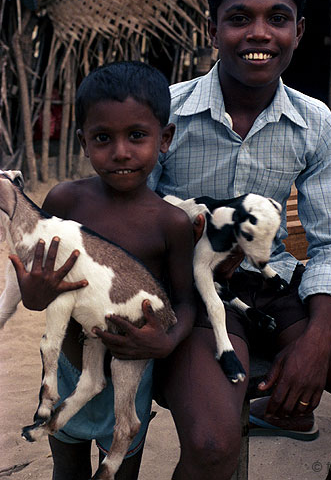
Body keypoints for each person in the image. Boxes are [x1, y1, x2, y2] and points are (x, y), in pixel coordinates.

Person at [14, 0, 331, 480]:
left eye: (277, 18)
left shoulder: (315, 123)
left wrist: (318, 337)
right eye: (240, 18)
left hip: (280, 284)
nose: (259, 33)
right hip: (192, 296)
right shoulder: (164, 117)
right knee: (214, 442)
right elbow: (130, 232)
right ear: (214, 29)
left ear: (298, 31)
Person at [10, 61, 196, 480]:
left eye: (137, 136)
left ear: (164, 138)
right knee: (67, 469)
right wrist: (34, 295)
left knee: (121, 470)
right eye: (102, 138)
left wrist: (167, 343)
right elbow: (41, 288)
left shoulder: (170, 223)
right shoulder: (65, 202)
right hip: (68, 368)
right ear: (82, 142)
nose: (121, 152)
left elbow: (186, 301)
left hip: (132, 370)